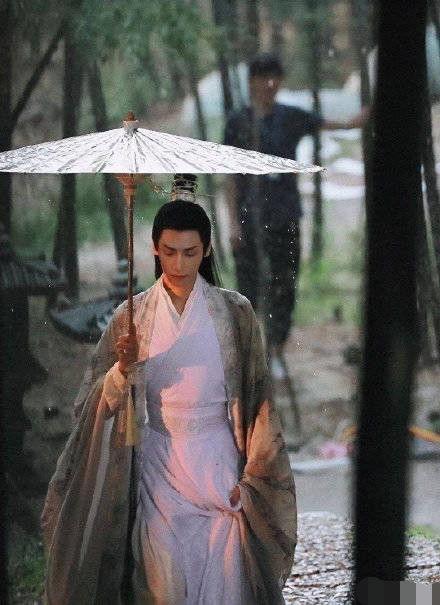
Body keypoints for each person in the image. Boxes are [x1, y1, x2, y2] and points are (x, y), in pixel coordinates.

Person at [41, 178, 297, 605]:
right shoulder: (132, 315)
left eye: (190, 252)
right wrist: (122, 370)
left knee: (224, 578)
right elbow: (92, 401)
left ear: (207, 250)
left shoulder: (235, 312)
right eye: (170, 251)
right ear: (155, 249)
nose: (179, 263)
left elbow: (259, 403)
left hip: (217, 460)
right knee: (162, 580)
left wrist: (252, 477)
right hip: (160, 461)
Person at [224, 53, 368, 378]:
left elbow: (334, 124)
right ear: (251, 82)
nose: (270, 84)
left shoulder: (289, 117)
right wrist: (232, 222)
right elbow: (229, 176)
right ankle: (250, 354)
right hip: (248, 218)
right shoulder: (238, 122)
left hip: (284, 215)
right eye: (263, 78)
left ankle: (276, 351)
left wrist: (359, 119)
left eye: (275, 78)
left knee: (285, 283)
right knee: (247, 288)